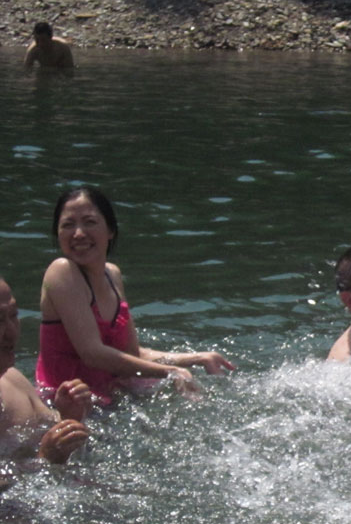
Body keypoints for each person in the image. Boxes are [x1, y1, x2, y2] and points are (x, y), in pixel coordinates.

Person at [37, 187, 235, 403]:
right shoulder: (61, 271)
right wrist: (170, 371)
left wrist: (197, 358)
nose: (78, 233)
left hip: (112, 396)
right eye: (68, 225)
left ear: (110, 230)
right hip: (67, 405)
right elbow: (92, 354)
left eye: (89, 222)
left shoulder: (112, 275)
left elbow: (131, 354)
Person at [0, 277, 90, 465]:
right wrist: (45, 460)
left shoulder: (12, 378)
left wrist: (68, 418)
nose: (12, 332)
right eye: (0, 320)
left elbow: (51, 429)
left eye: (13, 315)